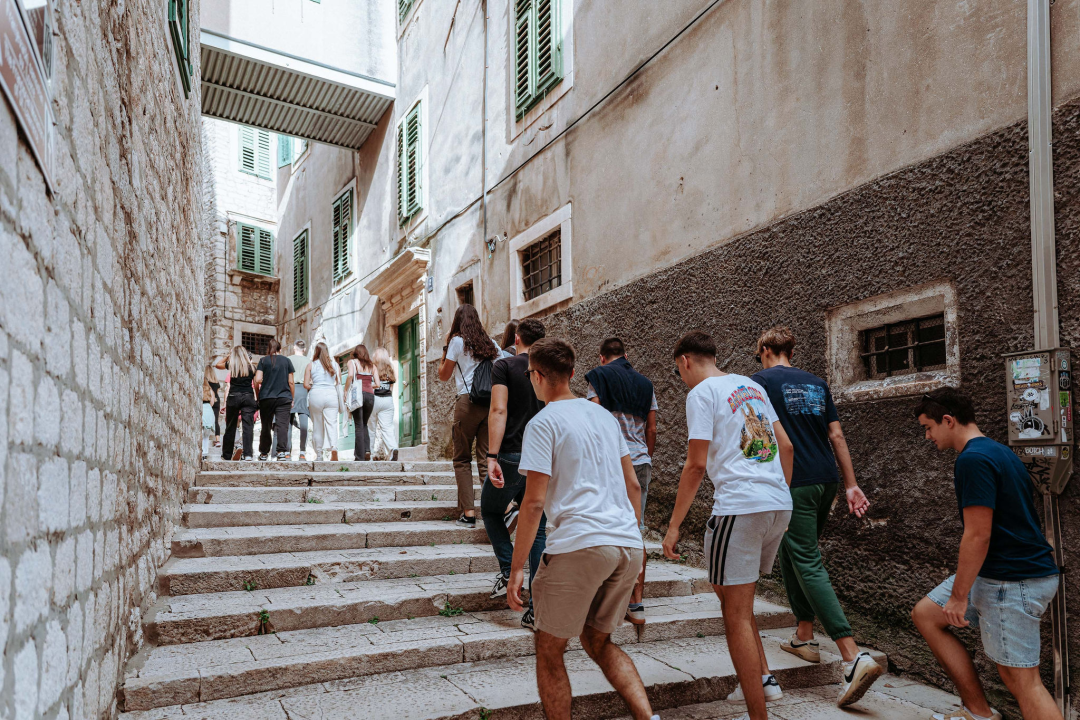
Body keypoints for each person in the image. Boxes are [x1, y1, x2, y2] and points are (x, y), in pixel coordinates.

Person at [508, 338, 658, 720]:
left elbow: (535, 501)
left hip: (580, 544)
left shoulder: (543, 423)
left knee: (549, 648)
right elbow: (634, 486)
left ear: (537, 377)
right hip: (626, 543)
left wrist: (515, 568)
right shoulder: (605, 417)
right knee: (599, 641)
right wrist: (632, 534)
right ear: (573, 374)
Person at [662, 330, 793, 720]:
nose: (681, 378)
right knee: (732, 594)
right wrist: (776, 491)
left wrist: (673, 526)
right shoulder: (750, 386)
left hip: (739, 506)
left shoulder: (701, 393)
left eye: (678, 371)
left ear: (685, 361)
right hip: (777, 503)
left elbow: (696, 464)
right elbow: (785, 447)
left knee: (734, 613)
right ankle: (764, 678)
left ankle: (758, 713)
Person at [749, 326, 882, 707]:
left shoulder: (758, 383)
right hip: (825, 480)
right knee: (792, 551)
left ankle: (851, 656)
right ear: (791, 350)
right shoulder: (816, 384)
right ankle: (804, 636)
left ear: (763, 350)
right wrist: (851, 484)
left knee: (806, 558)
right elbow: (836, 436)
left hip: (792, 480)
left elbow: (758, 437)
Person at [911, 388, 1061, 720]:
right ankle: (978, 713)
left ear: (948, 421)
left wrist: (959, 596)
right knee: (926, 614)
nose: (927, 436)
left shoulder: (973, 460)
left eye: (929, 427)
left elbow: (978, 534)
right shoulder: (997, 451)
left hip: (1012, 580)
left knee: (1023, 681)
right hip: (998, 574)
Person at [585, 337, 657, 626]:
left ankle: (603, 596)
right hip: (640, 462)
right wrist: (644, 456)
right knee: (635, 529)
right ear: (626, 355)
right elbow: (652, 427)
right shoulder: (646, 384)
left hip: (611, 463)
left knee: (603, 524)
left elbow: (594, 419)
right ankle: (636, 602)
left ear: (602, 358)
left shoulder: (597, 377)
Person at [485, 318, 547, 630]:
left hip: (511, 453)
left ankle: (510, 568)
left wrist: (491, 455)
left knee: (490, 509)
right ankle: (537, 608)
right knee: (537, 527)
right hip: (543, 457)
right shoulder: (549, 370)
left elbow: (498, 410)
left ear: (517, 337)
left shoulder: (505, 366)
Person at [438, 304, 500, 526]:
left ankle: (469, 513)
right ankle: (494, 511)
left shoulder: (456, 342)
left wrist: (445, 348)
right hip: (490, 402)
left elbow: (443, 375)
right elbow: (502, 366)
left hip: (467, 402)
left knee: (462, 458)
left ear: (457, 321)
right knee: (485, 459)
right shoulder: (490, 343)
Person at [254, 339, 295, 462]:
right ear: (280, 349)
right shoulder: (287, 361)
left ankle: (264, 453)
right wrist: (292, 398)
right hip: (284, 397)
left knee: (265, 425)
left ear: (269, 349)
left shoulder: (263, 360)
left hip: (266, 397)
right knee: (282, 425)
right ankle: (281, 452)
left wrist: (258, 395)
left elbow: (258, 379)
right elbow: (291, 382)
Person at [217, 346, 258, 461]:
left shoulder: (232, 365)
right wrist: (257, 399)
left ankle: (227, 455)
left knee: (230, 426)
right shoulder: (252, 368)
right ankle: (248, 454)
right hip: (248, 397)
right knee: (248, 426)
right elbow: (255, 384)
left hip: (233, 397)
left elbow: (218, 365)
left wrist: (227, 357)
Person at [305, 342, 343, 462]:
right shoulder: (335, 365)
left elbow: (306, 384)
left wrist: (314, 386)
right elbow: (338, 382)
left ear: (316, 351)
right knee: (332, 424)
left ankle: (320, 455)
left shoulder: (311, 365)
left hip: (316, 394)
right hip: (331, 394)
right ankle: (334, 448)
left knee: (317, 425)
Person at [345, 345, 379, 461]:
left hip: (357, 395)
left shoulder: (352, 362)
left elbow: (350, 376)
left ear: (356, 353)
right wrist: (368, 386)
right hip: (370, 396)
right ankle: (367, 450)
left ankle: (359, 457)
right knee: (364, 424)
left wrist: (345, 390)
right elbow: (377, 384)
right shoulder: (372, 366)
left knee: (358, 425)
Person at [371, 347, 399, 461]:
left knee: (371, 427)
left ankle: (369, 452)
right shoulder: (390, 369)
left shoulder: (372, 368)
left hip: (374, 398)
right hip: (387, 399)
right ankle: (393, 448)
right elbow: (391, 388)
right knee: (388, 428)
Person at [288, 340, 311, 460]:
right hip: (303, 389)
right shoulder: (309, 361)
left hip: (290, 389)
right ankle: (302, 452)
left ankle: (287, 451)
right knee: (303, 421)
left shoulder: (288, 359)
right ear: (304, 349)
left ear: (294, 348)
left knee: (288, 421)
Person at [204, 364, 222, 447]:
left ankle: (204, 435)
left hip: (208, 400)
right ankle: (217, 440)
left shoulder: (205, 381)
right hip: (216, 400)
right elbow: (217, 393)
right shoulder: (216, 382)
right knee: (216, 420)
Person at [201, 374, 216, 460]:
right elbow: (212, 402)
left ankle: (201, 450)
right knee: (206, 434)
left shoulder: (199, 389)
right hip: (208, 410)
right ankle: (205, 453)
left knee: (201, 432)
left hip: (201, 409)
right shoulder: (210, 390)